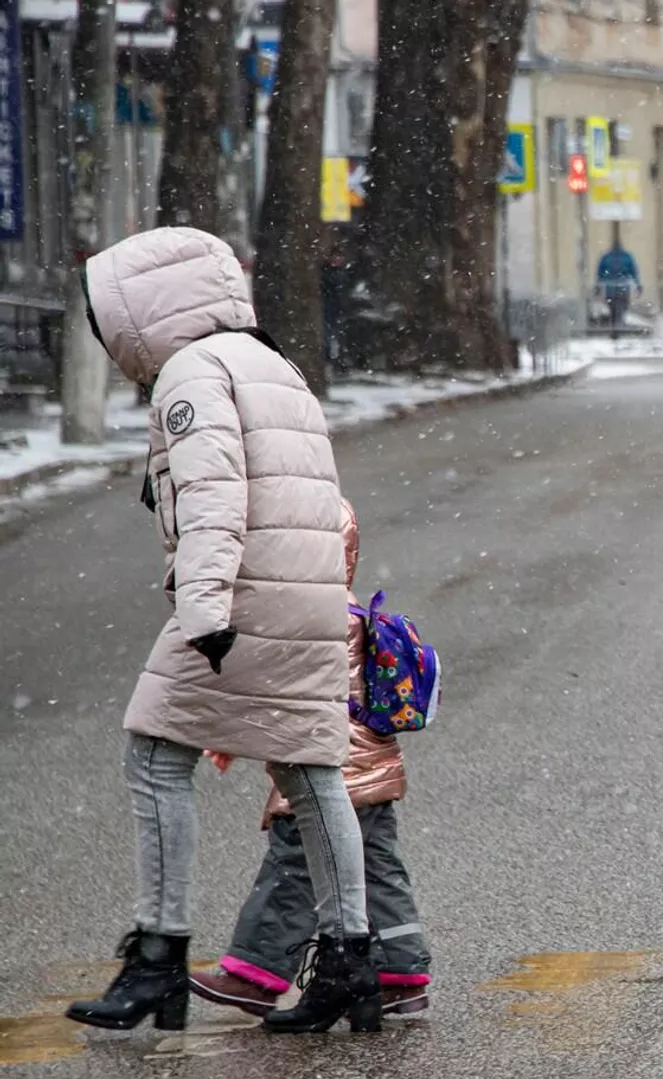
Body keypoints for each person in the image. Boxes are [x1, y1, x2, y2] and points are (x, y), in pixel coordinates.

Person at [64, 227, 380, 1036]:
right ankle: (352, 961)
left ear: (147, 312)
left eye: (110, 322)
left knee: (154, 754)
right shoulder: (273, 363)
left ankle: (157, 958)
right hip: (305, 597)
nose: (109, 341)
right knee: (312, 772)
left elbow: (213, 495)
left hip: (241, 599)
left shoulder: (193, 373)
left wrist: (204, 610)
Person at [189, 498, 435, 1019]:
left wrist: (233, 735)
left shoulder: (310, 619)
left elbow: (284, 695)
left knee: (294, 870)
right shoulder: (353, 613)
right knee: (375, 871)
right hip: (374, 770)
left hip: (328, 770)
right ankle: (400, 972)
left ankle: (255, 973)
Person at [596, 239, 641, 333]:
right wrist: (637, 285)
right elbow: (633, 272)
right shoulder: (627, 257)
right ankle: (619, 326)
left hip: (610, 289)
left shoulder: (606, 257)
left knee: (612, 308)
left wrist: (598, 286)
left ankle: (614, 328)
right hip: (623, 288)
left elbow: (600, 273)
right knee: (622, 307)